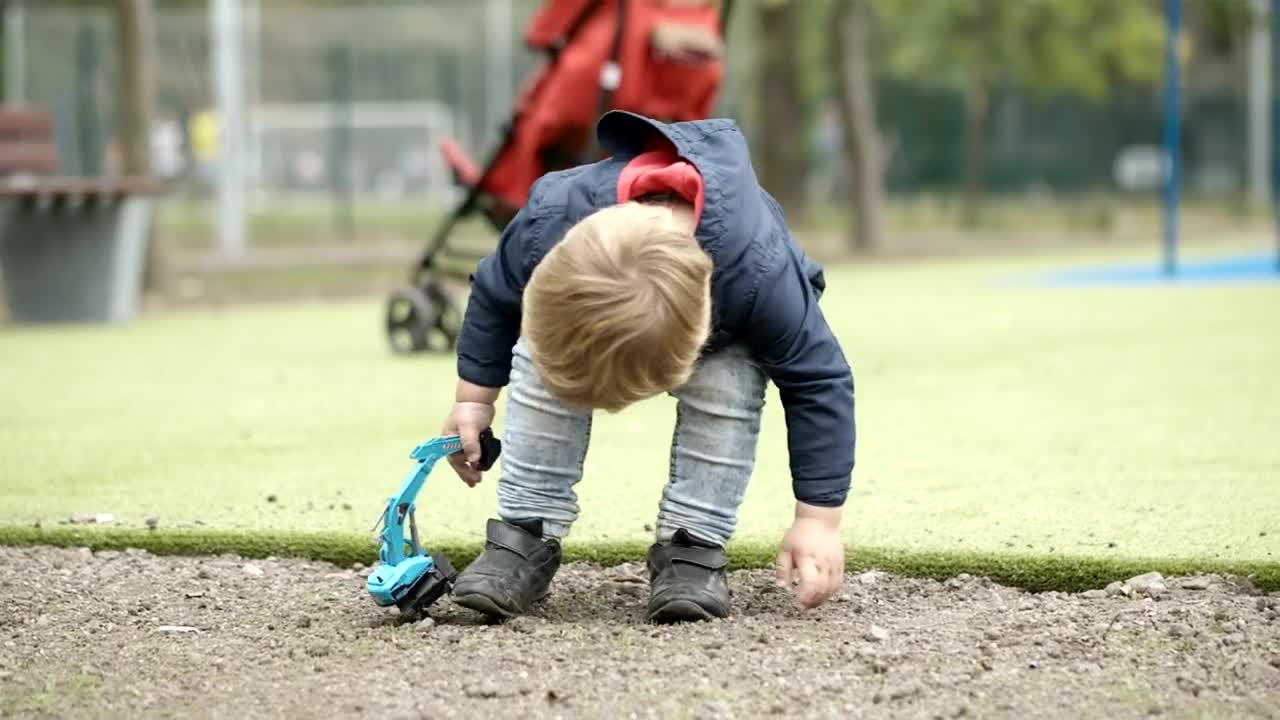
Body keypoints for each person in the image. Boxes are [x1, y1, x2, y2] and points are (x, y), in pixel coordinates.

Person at [440, 110, 856, 624]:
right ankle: (526, 531)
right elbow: (494, 291)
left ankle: (692, 545)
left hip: (728, 327)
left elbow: (819, 381)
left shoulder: (760, 275)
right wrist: (472, 399)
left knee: (728, 377)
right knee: (536, 355)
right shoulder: (549, 218)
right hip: (605, 276)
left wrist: (818, 521)